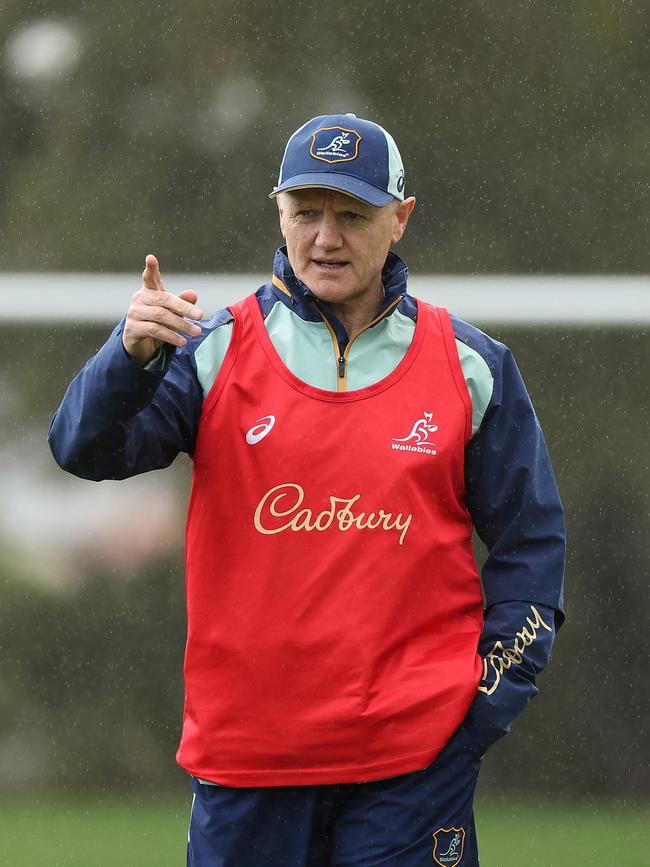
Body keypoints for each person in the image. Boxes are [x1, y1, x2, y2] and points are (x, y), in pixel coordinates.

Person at [49, 113, 565, 867]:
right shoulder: (210, 350)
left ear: (401, 219)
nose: (326, 237)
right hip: (248, 764)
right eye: (306, 213)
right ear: (280, 215)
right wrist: (126, 358)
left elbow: (532, 546)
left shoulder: (471, 365)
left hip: (412, 769)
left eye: (352, 215)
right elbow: (82, 448)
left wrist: (483, 701)